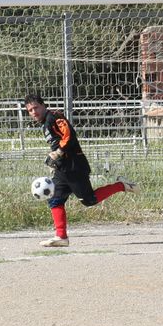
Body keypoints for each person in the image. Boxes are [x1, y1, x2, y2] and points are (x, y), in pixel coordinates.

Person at [24, 93, 137, 247]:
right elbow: (57, 143)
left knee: (89, 200)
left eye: (36, 108)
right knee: (55, 199)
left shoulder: (54, 117)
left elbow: (69, 136)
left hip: (74, 166)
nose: (33, 112)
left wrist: (58, 153)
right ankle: (61, 237)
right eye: (30, 110)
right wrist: (55, 162)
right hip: (63, 169)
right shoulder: (45, 123)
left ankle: (121, 185)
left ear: (43, 105)